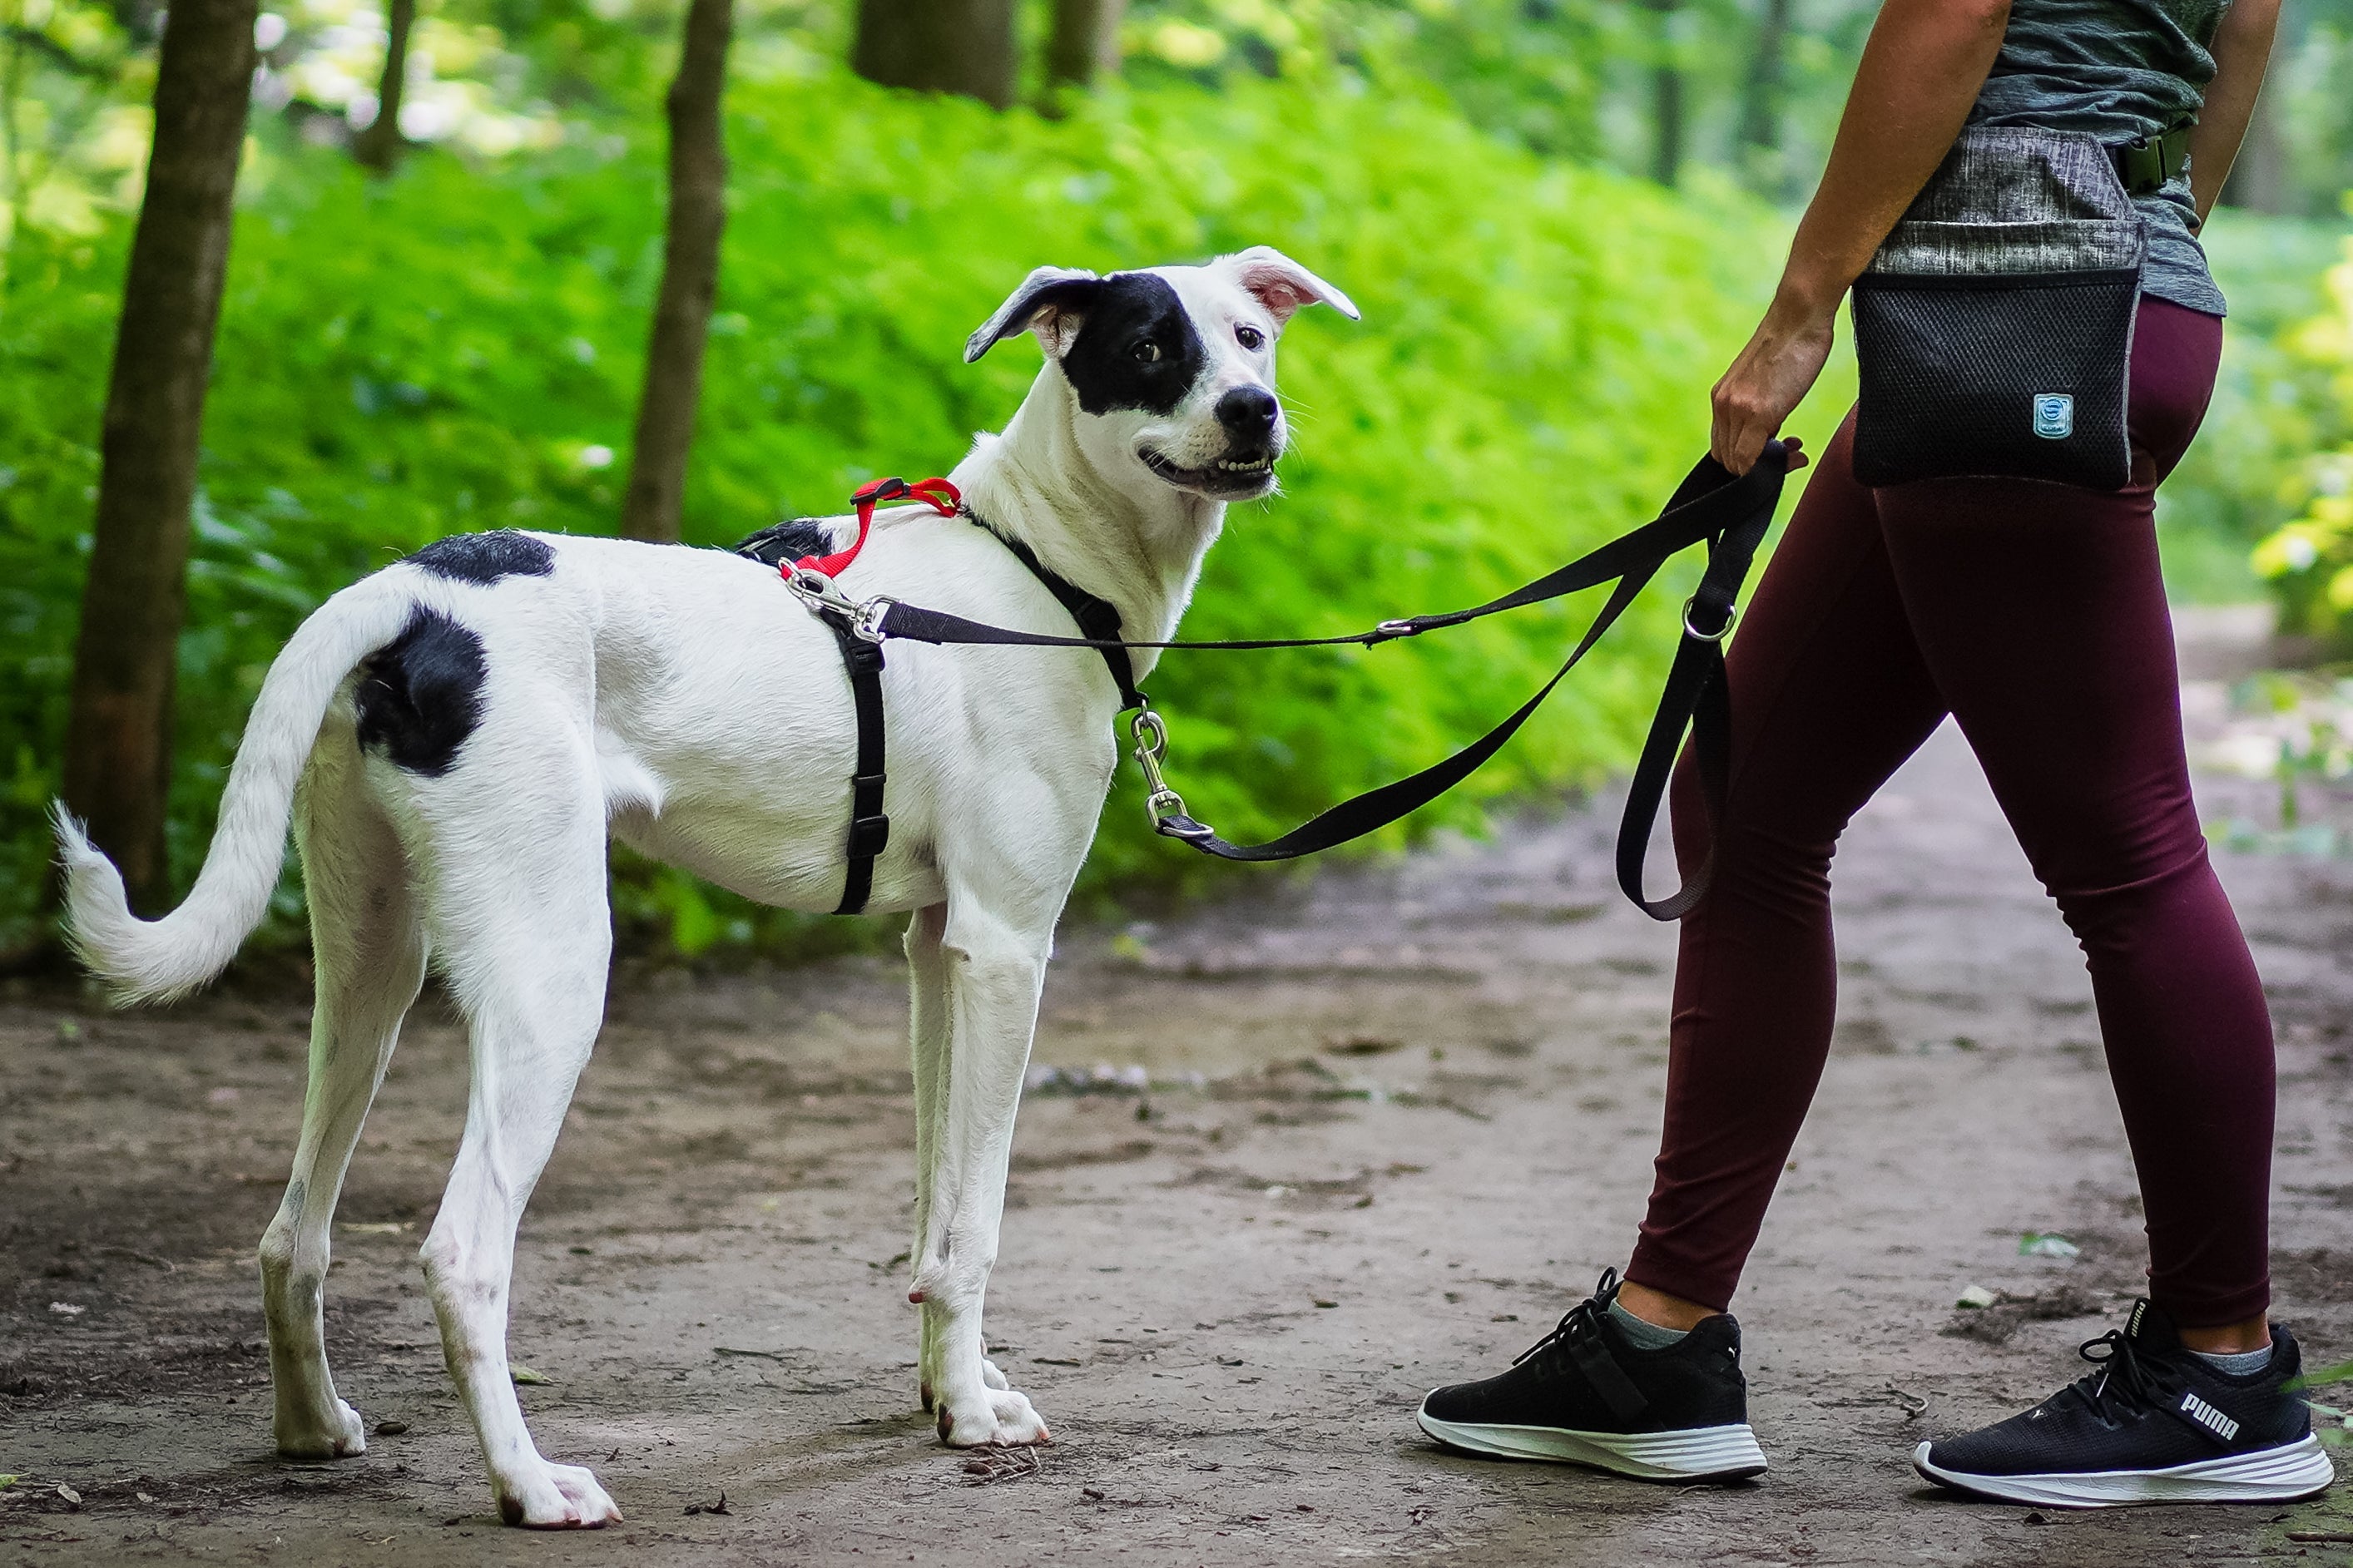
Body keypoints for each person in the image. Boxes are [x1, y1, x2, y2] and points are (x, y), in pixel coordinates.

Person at [1414, 0, 2341, 1508]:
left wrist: (1798, 309)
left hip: (2010, 289)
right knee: (1749, 802)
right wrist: (2150, 244)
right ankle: (1657, 1343)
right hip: (2084, 292)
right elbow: (2243, 19)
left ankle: (2222, 1368)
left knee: (2128, 856)